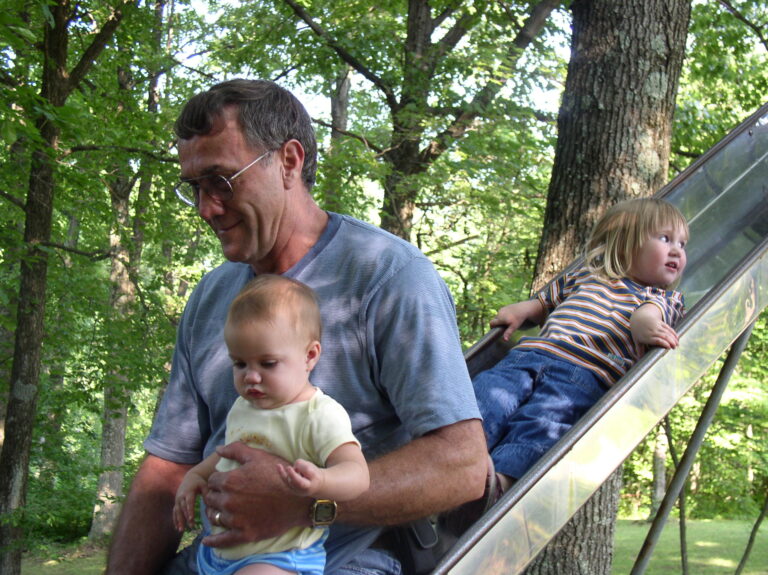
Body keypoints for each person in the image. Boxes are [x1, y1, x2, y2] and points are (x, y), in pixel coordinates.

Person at [106, 79, 487, 575]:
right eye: (195, 187)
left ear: (288, 161)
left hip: (337, 561)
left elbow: (461, 467)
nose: (206, 208)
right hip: (214, 559)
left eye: (222, 180)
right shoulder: (211, 297)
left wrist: (298, 502)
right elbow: (166, 471)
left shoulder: (387, 275)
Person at [473, 198, 687, 497]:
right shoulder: (587, 275)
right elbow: (544, 303)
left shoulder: (663, 297)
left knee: (544, 424)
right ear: (623, 242)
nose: (678, 249)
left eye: (682, 243)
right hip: (528, 355)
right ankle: (459, 458)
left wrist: (645, 325)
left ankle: (499, 484)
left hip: (583, 374)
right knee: (485, 396)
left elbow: (647, 317)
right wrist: (521, 310)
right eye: (665, 238)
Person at [173, 274, 370, 575]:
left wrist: (321, 483)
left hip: (278, 557)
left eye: (267, 363)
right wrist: (196, 475)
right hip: (218, 554)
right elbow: (228, 453)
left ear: (310, 355)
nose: (251, 376)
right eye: (240, 363)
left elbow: (357, 475)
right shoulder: (244, 406)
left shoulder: (319, 415)